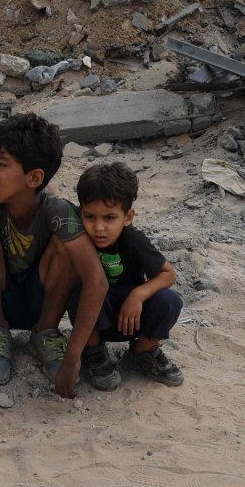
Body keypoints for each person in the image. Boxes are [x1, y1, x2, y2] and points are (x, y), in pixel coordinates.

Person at [0, 114, 108, 398]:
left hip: (42, 303)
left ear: (34, 177)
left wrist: (74, 354)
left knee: (70, 245)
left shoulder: (57, 210)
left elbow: (96, 280)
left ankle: (47, 333)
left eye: (0, 165)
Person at [69, 161, 185, 389]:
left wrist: (138, 295)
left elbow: (167, 275)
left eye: (109, 218)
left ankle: (143, 351)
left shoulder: (133, 240)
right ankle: (93, 352)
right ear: (80, 213)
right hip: (95, 318)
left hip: (132, 317)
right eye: (90, 217)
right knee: (78, 292)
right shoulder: (78, 235)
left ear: (128, 217)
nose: (99, 227)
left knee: (169, 301)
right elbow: (50, 202)